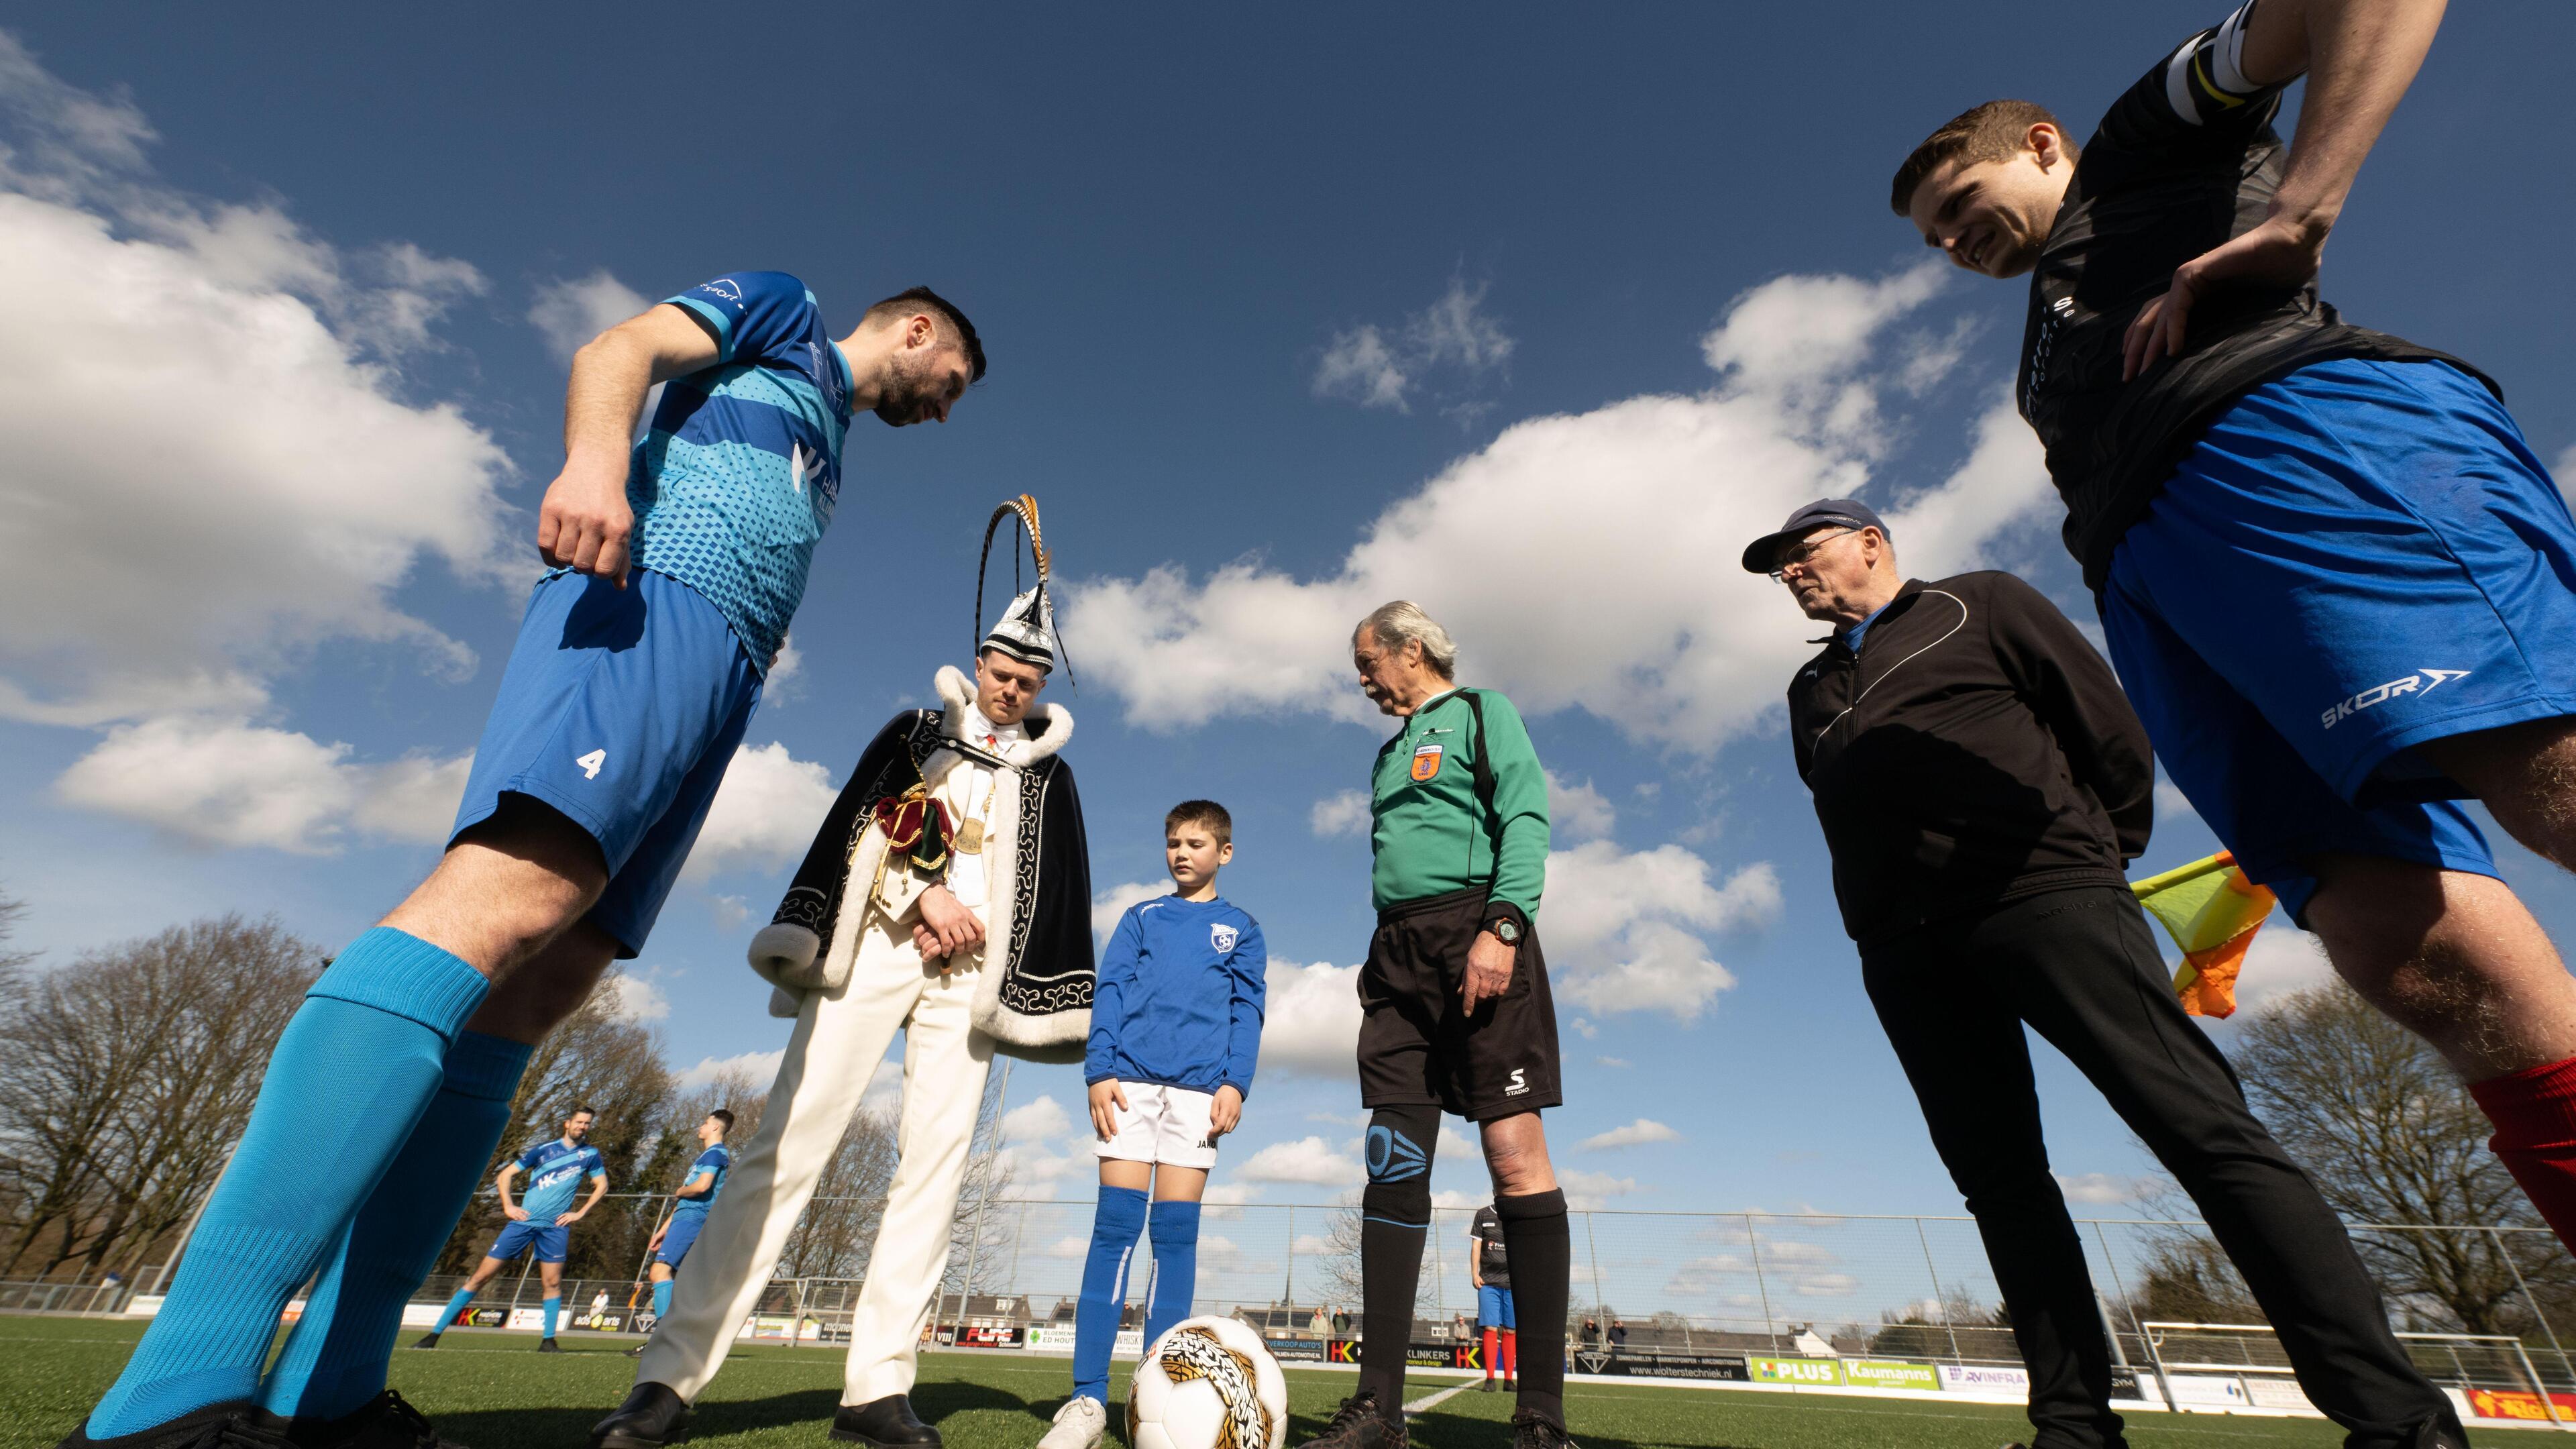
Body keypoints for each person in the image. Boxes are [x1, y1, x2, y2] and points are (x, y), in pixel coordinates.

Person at [60, 274, 984, 1449]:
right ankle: (178, 1391)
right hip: (654, 605)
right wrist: (596, 466)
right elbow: (620, 347)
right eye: (950, 387)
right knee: (505, 897)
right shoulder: (785, 310)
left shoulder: (834, 441)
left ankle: (328, 1394)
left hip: (723, 674)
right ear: (918, 332)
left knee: (549, 979)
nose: (943, 412)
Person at [1890, 1, 2576, 1245]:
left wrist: (2301, 207)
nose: (1951, 242)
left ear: (2041, 143)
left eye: (1960, 201)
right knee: (2395, 943)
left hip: (2294, 448)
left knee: (2550, 777)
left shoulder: (2143, 144)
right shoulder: (2046, 341)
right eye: (1936, 239)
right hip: (2162, 581)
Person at [1750, 498, 2468, 1449]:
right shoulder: (1810, 689)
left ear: (1870, 543)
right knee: (2002, 1185)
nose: (1791, 573)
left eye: (1803, 552)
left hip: (2047, 897)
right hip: (1905, 950)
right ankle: (2074, 1430)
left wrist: (2093, 849)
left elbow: (2109, 732)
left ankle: (2398, 1421)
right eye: (1778, 568)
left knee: (2203, 1132)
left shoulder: (1984, 604)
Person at [592, 585, 1093, 1449]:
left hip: (968, 978)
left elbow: (1053, 890)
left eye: (1026, 681)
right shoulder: (913, 734)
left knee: (933, 1177)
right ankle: (668, 1379)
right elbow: (865, 821)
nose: (1010, 690)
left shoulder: (1052, 774)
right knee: (785, 1149)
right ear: (979, 665)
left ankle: (876, 1390)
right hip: (882, 946)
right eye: (1000, 672)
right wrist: (927, 893)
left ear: (1042, 687)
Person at [1301, 602, 1574, 1449]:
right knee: (1392, 1157)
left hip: (1477, 935)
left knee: (1512, 1154)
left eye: (1366, 659)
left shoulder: (1484, 713)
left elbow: (1525, 819)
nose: (1361, 677)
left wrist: (1503, 926)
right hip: (1395, 958)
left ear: (1408, 650)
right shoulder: (1387, 754)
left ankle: (1539, 1417)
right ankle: (1376, 1408)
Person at [1038, 800, 1267, 1449]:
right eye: (1172, 842)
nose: (1181, 853)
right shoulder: (1141, 916)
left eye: (1196, 843)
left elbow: (1248, 1010)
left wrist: (1235, 1082)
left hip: (1200, 1096)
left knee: (1175, 1239)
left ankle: (1153, 1394)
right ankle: (1086, 1401)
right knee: (1114, 1231)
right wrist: (1098, 1069)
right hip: (1129, 1085)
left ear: (1224, 852)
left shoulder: (1243, 928)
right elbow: (1108, 989)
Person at [411, 1108, 610, 1354]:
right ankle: (433, 1335)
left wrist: (581, 1212)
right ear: (567, 1123)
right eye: (579, 1122)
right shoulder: (543, 1150)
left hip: (555, 1227)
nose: (583, 1126)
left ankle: (548, 1341)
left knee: (552, 1282)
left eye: (588, 1123)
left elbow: (602, 1185)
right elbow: (506, 1174)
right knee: (480, 1277)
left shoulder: (590, 1154)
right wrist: (508, 1205)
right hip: (523, 1223)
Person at [623, 1111, 733, 1358]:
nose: (701, 1126)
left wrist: (681, 1189)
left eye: (705, 1122)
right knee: (676, 1279)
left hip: (694, 1219)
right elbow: (686, 1198)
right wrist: (664, 1229)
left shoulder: (716, 1153)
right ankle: (675, 1339)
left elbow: (702, 1186)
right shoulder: (706, 1155)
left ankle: (664, 1339)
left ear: (716, 1128)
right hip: (684, 1219)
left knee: (659, 1271)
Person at [1468, 1203, 1515, 1394]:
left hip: (1513, 1285)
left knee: (1511, 1331)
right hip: (1488, 1283)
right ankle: (1490, 1378)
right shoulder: (1483, 1215)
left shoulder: (1516, 1214)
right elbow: (1476, 1246)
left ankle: (1509, 1380)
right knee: (1490, 1327)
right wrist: (1474, 1273)